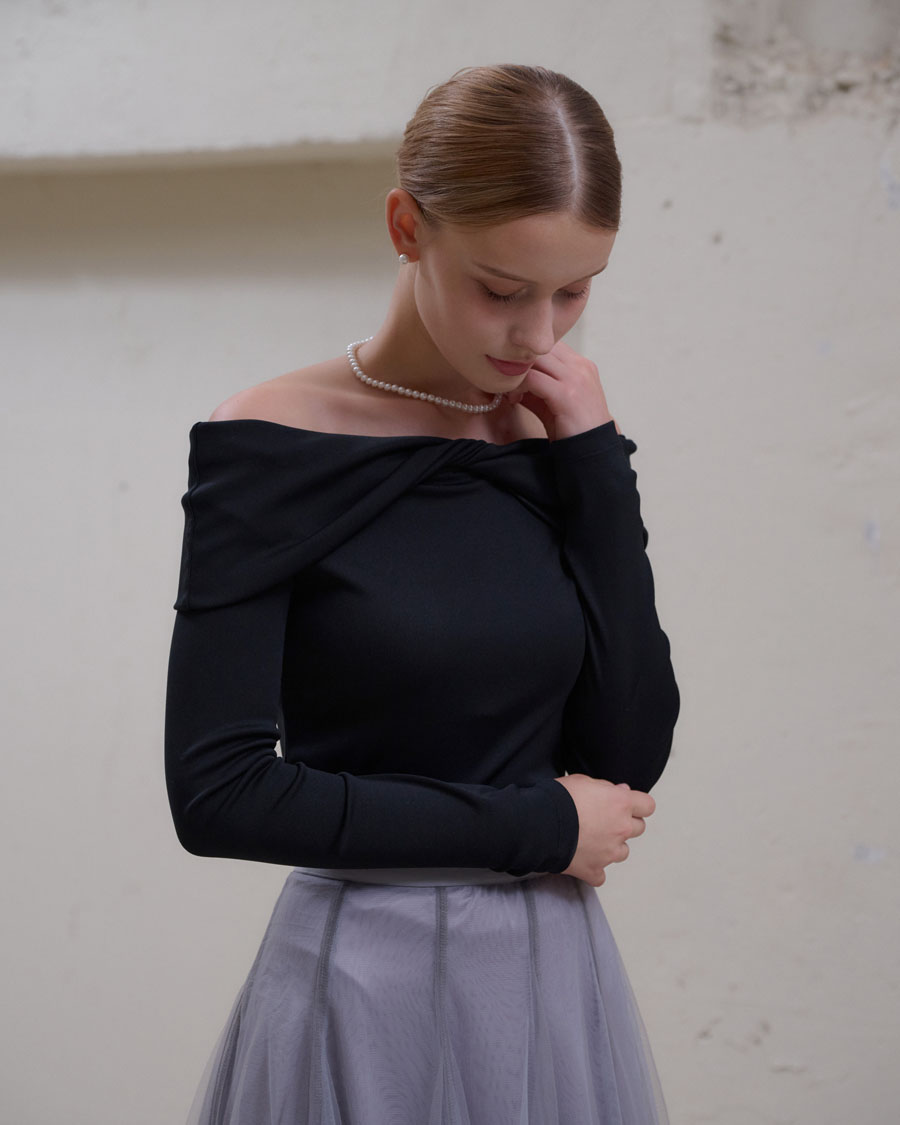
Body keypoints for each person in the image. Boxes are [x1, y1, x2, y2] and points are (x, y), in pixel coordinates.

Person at [165, 63, 681, 1124]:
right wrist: (536, 825)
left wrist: (595, 462)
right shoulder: (268, 445)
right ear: (407, 227)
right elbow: (218, 792)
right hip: (363, 982)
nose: (539, 338)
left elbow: (626, 760)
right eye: (502, 289)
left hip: (549, 981)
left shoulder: (560, 441)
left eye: (575, 291)